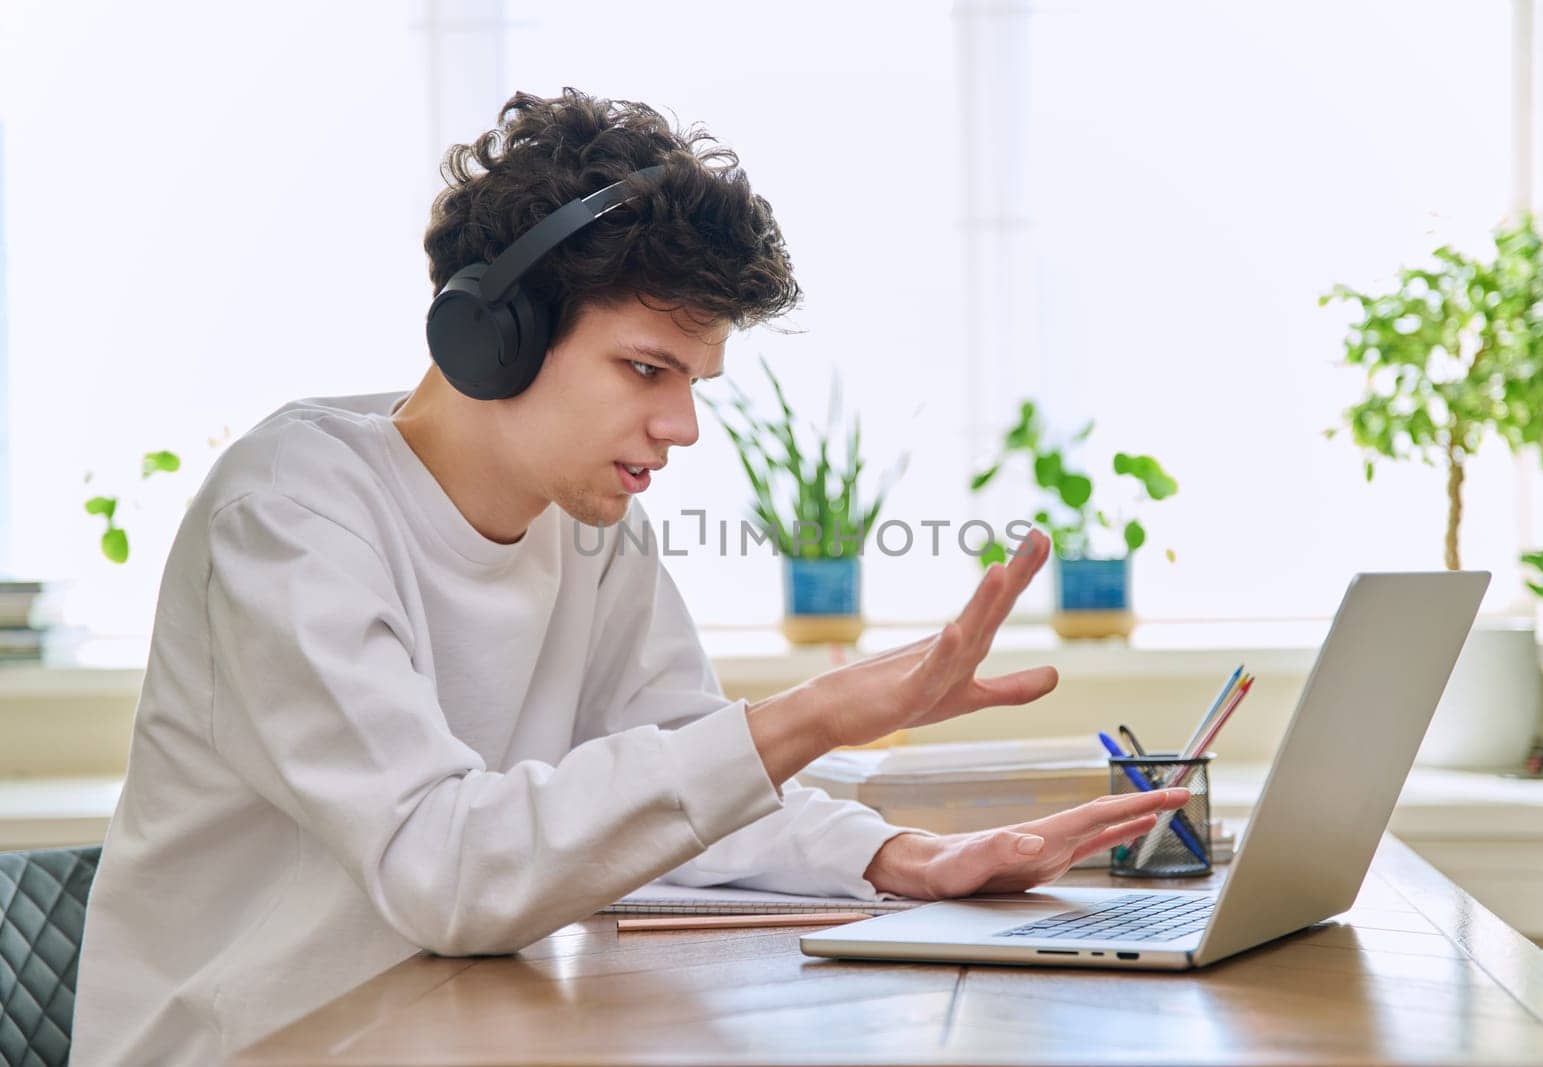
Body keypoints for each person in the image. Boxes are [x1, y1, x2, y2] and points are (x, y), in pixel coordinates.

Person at [70, 89, 1186, 1066]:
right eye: (647, 368)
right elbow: (445, 870)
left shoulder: (590, 523)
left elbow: (679, 792)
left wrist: (902, 855)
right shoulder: (290, 519)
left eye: (696, 378)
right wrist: (815, 713)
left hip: (443, 1028)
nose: (683, 423)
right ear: (489, 336)